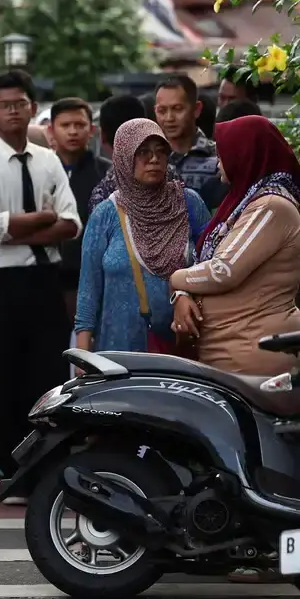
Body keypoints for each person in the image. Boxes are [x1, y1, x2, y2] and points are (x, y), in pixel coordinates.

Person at [169, 116, 300, 584]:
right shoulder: (248, 201)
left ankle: (266, 550)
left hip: (252, 349)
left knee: (249, 459)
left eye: (226, 150)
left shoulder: (271, 206)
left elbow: (223, 271)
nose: (218, 160)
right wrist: (183, 294)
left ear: (247, 153)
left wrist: (176, 279)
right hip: (234, 343)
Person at [0, 70, 81, 490]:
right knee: (2, 373)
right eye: (5, 105)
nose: (14, 111)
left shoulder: (48, 158)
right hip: (1, 283)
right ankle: (8, 464)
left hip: (44, 278)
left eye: (21, 103)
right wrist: (44, 217)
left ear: (32, 107)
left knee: (48, 374)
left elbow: (72, 224)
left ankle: (46, 460)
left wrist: (25, 227)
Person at [74, 119, 210, 358]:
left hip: (181, 349)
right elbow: (88, 290)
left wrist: (185, 293)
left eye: (161, 152)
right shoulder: (106, 214)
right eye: (143, 152)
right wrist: (83, 355)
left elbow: (212, 262)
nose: (154, 159)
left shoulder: (189, 204)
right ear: (125, 157)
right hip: (118, 349)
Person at [48, 97, 111, 346]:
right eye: (65, 125)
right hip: (49, 277)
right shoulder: (39, 169)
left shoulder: (107, 173)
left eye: (79, 124)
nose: (73, 131)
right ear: (51, 130)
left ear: (91, 130)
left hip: (94, 278)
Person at [154, 75, 225, 210]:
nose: (169, 118)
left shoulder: (219, 157)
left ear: (196, 109)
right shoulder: (148, 160)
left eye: (177, 108)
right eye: (162, 111)